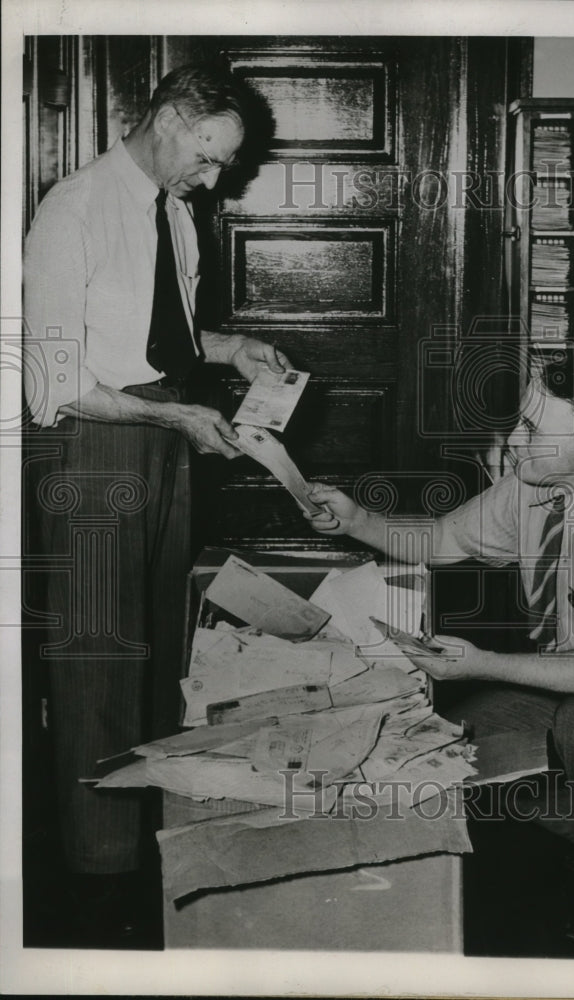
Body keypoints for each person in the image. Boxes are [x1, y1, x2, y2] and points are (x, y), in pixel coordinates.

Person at [306, 357, 574, 948]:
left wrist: (482, 663)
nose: (512, 441)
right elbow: (443, 539)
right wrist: (358, 520)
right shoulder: (538, 486)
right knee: (457, 735)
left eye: (531, 430)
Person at [23, 63, 289, 945]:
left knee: (156, 650)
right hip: (97, 447)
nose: (213, 181)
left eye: (222, 167)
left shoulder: (174, 212)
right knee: (98, 655)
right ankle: (98, 877)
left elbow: (152, 335)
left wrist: (231, 345)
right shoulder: (75, 207)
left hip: (161, 438)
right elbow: (54, 379)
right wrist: (172, 412)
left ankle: (151, 831)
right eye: (210, 158)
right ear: (173, 117)